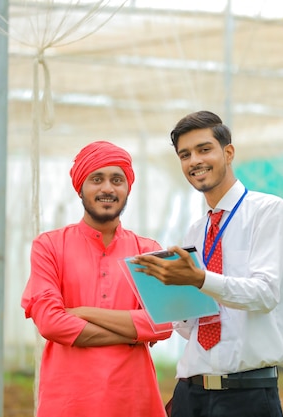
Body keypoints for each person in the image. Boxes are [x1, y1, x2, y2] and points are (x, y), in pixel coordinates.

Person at [132, 111, 283, 417]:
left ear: (228, 152)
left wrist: (199, 279)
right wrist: (168, 298)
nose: (194, 160)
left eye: (204, 149)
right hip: (190, 392)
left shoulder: (269, 211)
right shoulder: (197, 229)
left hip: (246, 395)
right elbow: (193, 324)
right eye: (185, 155)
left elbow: (265, 294)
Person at [21, 140, 172, 417]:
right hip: (68, 403)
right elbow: (51, 323)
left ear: (128, 188)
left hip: (134, 401)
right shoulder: (49, 246)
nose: (107, 188)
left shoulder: (148, 250)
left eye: (117, 180)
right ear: (80, 187)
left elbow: (163, 325)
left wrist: (81, 313)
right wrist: (133, 333)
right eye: (96, 179)